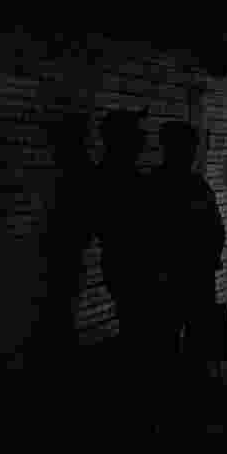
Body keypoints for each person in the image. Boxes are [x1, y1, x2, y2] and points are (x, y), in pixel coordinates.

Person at [150, 121, 226, 381]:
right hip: (194, 275)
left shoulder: (153, 185)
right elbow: (215, 230)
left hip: (166, 276)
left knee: (167, 341)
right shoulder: (196, 186)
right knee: (195, 341)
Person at [29, 112, 96, 367]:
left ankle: (58, 356)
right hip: (64, 250)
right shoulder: (77, 168)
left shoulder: (73, 169)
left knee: (59, 307)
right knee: (61, 307)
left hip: (63, 250)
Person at [93, 108, 156, 367]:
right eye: (136, 133)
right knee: (137, 324)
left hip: (124, 260)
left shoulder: (113, 174)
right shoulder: (118, 177)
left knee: (135, 322)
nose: (143, 139)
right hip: (130, 262)